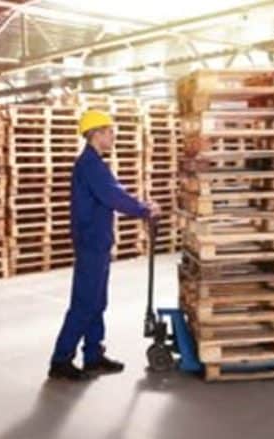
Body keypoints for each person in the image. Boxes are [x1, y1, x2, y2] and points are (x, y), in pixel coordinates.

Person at [48, 109, 161, 381]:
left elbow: (114, 193)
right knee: (85, 303)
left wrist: (140, 206)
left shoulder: (95, 163)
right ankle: (61, 360)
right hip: (91, 242)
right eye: (109, 131)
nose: (113, 136)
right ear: (96, 134)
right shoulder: (90, 165)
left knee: (97, 302)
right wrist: (144, 209)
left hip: (98, 241)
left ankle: (93, 356)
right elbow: (113, 196)